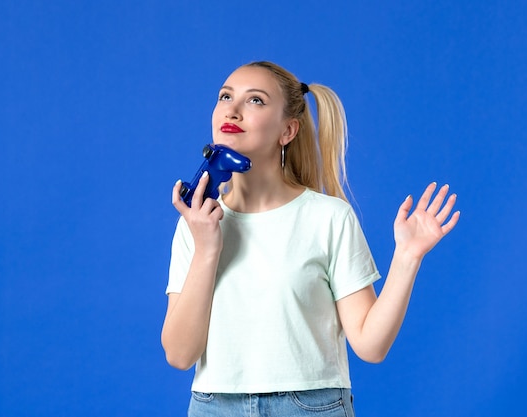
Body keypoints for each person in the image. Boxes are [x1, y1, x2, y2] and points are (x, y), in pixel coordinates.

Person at [161, 61, 460, 417]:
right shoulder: (196, 224)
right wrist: (207, 249)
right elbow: (179, 355)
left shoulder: (329, 218)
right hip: (213, 407)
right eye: (225, 96)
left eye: (255, 101)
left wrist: (407, 257)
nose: (233, 110)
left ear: (288, 130)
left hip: (309, 407)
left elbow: (370, 345)